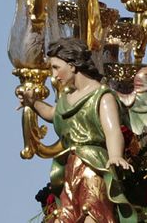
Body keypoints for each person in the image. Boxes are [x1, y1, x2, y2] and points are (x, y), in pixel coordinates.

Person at [20, 38, 137, 223]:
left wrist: (115, 155)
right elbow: (52, 113)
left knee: (94, 212)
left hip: (94, 166)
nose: (54, 75)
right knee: (65, 217)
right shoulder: (68, 98)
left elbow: (113, 131)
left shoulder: (102, 96)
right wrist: (32, 102)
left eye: (56, 67)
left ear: (73, 65)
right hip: (70, 168)